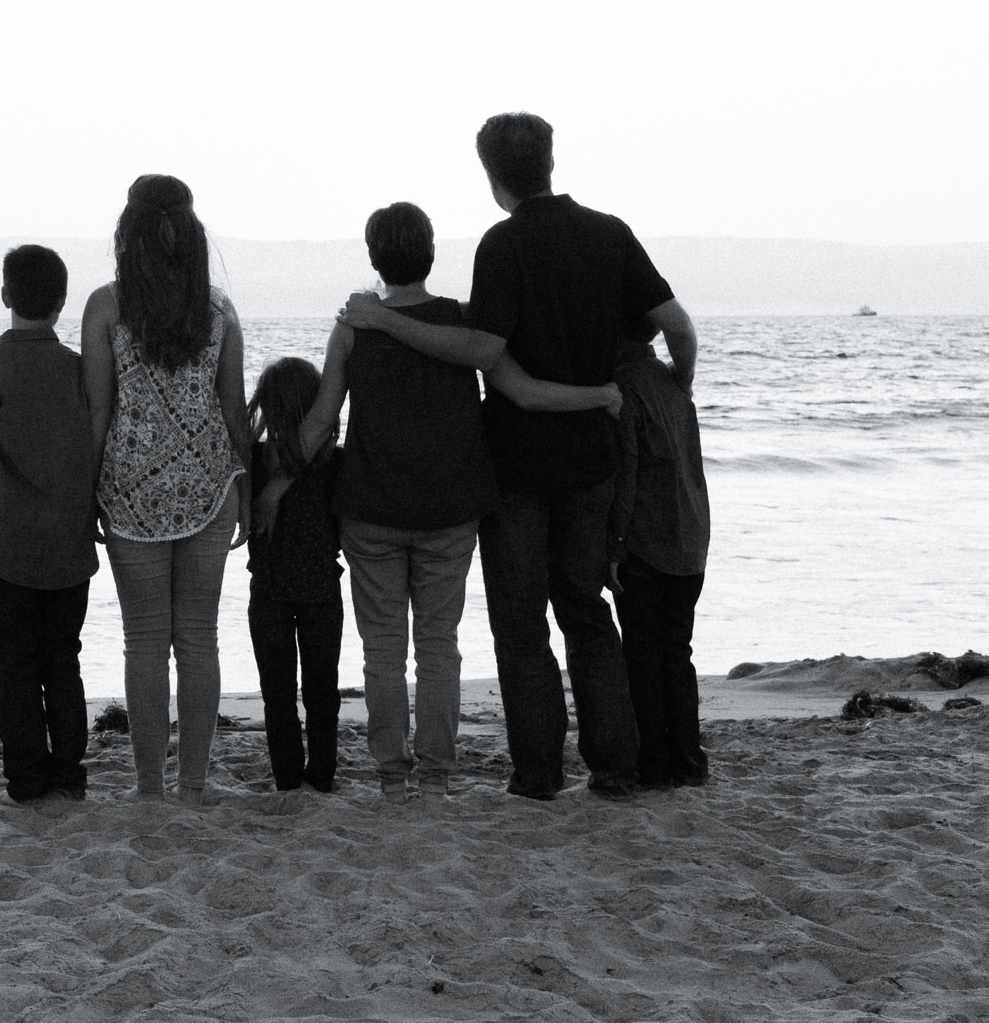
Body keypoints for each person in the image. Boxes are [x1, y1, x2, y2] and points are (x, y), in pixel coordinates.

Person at [341, 114, 695, 801]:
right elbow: (676, 327)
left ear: (489, 171)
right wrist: (670, 395)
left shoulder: (502, 246)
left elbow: (479, 351)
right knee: (587, 611)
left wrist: (383, 320)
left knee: (522, 622)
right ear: (550, 160)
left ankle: (537, 774)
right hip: (593, 457)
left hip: (517, 464)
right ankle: (614, 768)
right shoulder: (609, 232)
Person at [304, 201, 618, 799]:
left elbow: (322, 422)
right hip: (450, 512)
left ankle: (393, 778)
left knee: (382, 650)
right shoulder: (464, 325)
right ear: (430, 253)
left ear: (374, 257)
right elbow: (522, 393)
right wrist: (598, 395)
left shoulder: (354, 326)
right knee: (438, 648)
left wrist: (269, 471)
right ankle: (436, 778)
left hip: (370, 509)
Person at [82, 175, 249, 803]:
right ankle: (195, 786)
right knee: (199, 638)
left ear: (129, 232)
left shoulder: (106, 305)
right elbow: (233, 412)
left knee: (145, 641)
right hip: (209, 486)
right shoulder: (218, 308)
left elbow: (98, 413)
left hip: (129, 495)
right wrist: (251, 491)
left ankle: (150, 785)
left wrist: (83, 497)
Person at [0, 244, 100, 804]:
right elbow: (99, 454)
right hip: (68, 543)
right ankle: (68, 772)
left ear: (6, 295)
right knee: (64, 660)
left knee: (14, 666)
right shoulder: (82, 374)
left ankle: (25, 778)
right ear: (61, 302)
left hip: (6, 544)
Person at [608, 328, 712, 788]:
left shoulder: (623, 387)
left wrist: (612, 544)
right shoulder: (674, 384)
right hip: (690, 535)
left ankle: (652, 761)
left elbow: (627, 473)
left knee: (643, 657)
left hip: (647, 540)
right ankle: (687, 760)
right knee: (676, 653)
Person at [245, 357, 343, 798]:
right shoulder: (333, 464)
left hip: (269, 591)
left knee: (277, 694)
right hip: (322, 587)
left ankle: (287, 777)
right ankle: (321, 776)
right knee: (322, 690)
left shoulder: (254, 463)